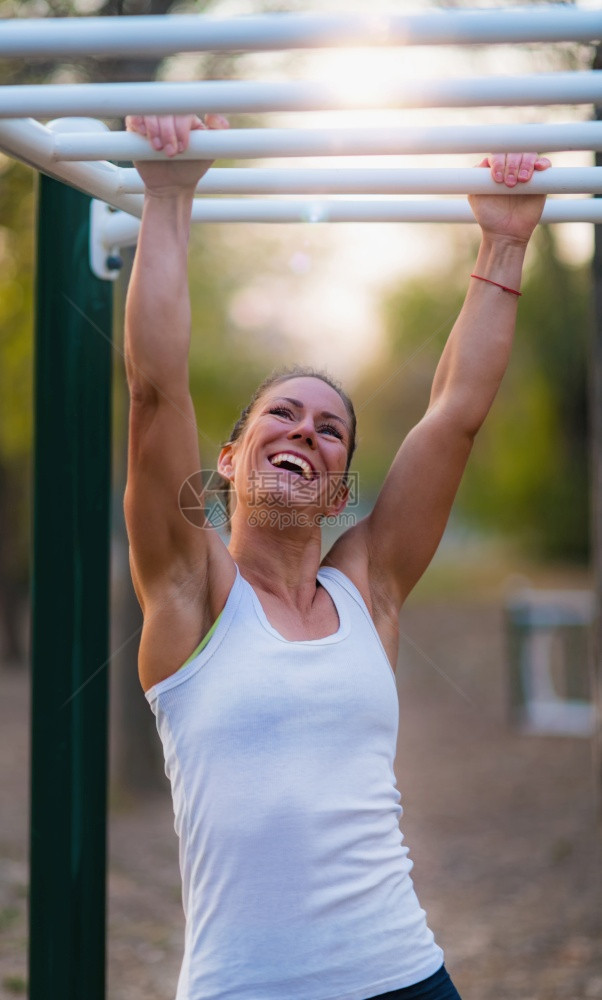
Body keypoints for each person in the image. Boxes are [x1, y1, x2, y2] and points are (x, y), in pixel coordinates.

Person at [123, 111, 550, 1000]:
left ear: (337, 489)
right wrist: (168, 194)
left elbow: (455, 415)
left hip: (405, 975)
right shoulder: (191, 594)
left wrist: (503, 245)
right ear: (230, 459)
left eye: (330, 433)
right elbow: (158, 390)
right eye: (281, 414)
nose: (306, 433)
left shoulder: (370, 587)